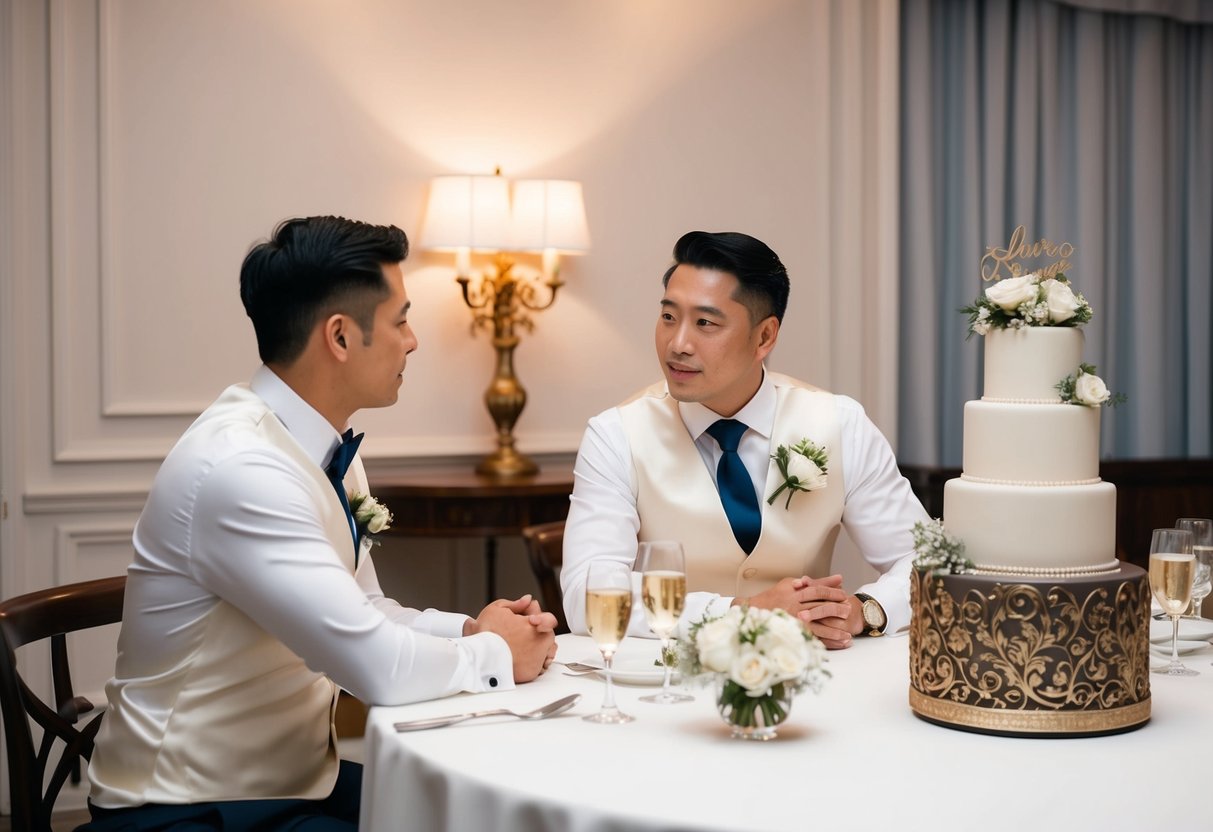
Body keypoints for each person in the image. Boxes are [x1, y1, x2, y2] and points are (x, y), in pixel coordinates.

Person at [82, 216, 558, 831]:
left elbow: (367, 612)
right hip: (187, 807)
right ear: (339, 336)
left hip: (293, 783)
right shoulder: (242, 467)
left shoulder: (323, 447)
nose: (412, 341)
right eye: (401, 320)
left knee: (477, 808)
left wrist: (470, 630)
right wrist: (496, 655)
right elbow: (372, 666)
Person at [561, 230, 930, 649]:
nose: (677, 344)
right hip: (666, 682)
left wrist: (867, 609)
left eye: (705, 323)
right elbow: (586, 595)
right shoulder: (616, 436)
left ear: (764, 337)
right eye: (668, 317)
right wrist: (740, 613)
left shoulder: (840, 424)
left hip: (806, 677)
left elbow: (926, 561)